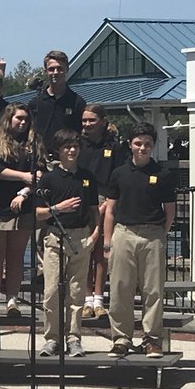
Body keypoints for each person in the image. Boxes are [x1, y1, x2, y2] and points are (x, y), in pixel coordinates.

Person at [103, 122, 176, 359]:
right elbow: (110, 210)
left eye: (147, 144)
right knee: (120, 288)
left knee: (152, 290)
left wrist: (160, 234)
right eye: (138, 143)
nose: (142, 148)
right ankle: (121, 338)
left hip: (153, 234)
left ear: (153, 146)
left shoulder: (163, 174)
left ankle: (152, 339)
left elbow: (170, 212)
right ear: (130, 145)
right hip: (124, 233)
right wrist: (107, 241)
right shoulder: (119, 174)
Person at [35, 130, 99, 358]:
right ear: (58, 150)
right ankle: (52, 338)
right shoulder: (49, 179)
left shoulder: (87, 177)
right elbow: (36, 213)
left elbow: (94, 210)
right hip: (55, 238)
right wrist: (58, 208)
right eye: (66, 147)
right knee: (52, 291)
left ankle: (74, 338)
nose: (71, 151)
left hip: (81, 237)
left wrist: (95, 235)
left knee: (76, 292)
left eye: (75, 147)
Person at [0, 103, 43, 318]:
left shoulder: (34, 144)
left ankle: (12, 301)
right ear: (9, 119)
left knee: (16, 257)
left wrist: (25, 191)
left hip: (23, 206)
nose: (23, 122)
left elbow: (39, 173)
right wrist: (22, 176)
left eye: (26, 119)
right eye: (19, 118)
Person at [78, 103, 128, 317]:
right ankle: (86, 300)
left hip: (107, 202)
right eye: (84, 121)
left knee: (102, 253)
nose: (87, 124)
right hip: (81, 201)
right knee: (84, 252)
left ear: (103, 122)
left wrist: (107, 203)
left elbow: (119, 177)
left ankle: (99, 300)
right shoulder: (78, 145)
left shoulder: (115, 147)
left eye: (92, 120)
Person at [28, 50, 87, 155]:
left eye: (59, 68)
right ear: (45, 71)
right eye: (51, 69)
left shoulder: (77, 102)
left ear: (66, 70)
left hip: (67, 160)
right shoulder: (35, 103)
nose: (55, 72)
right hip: (40, 160)